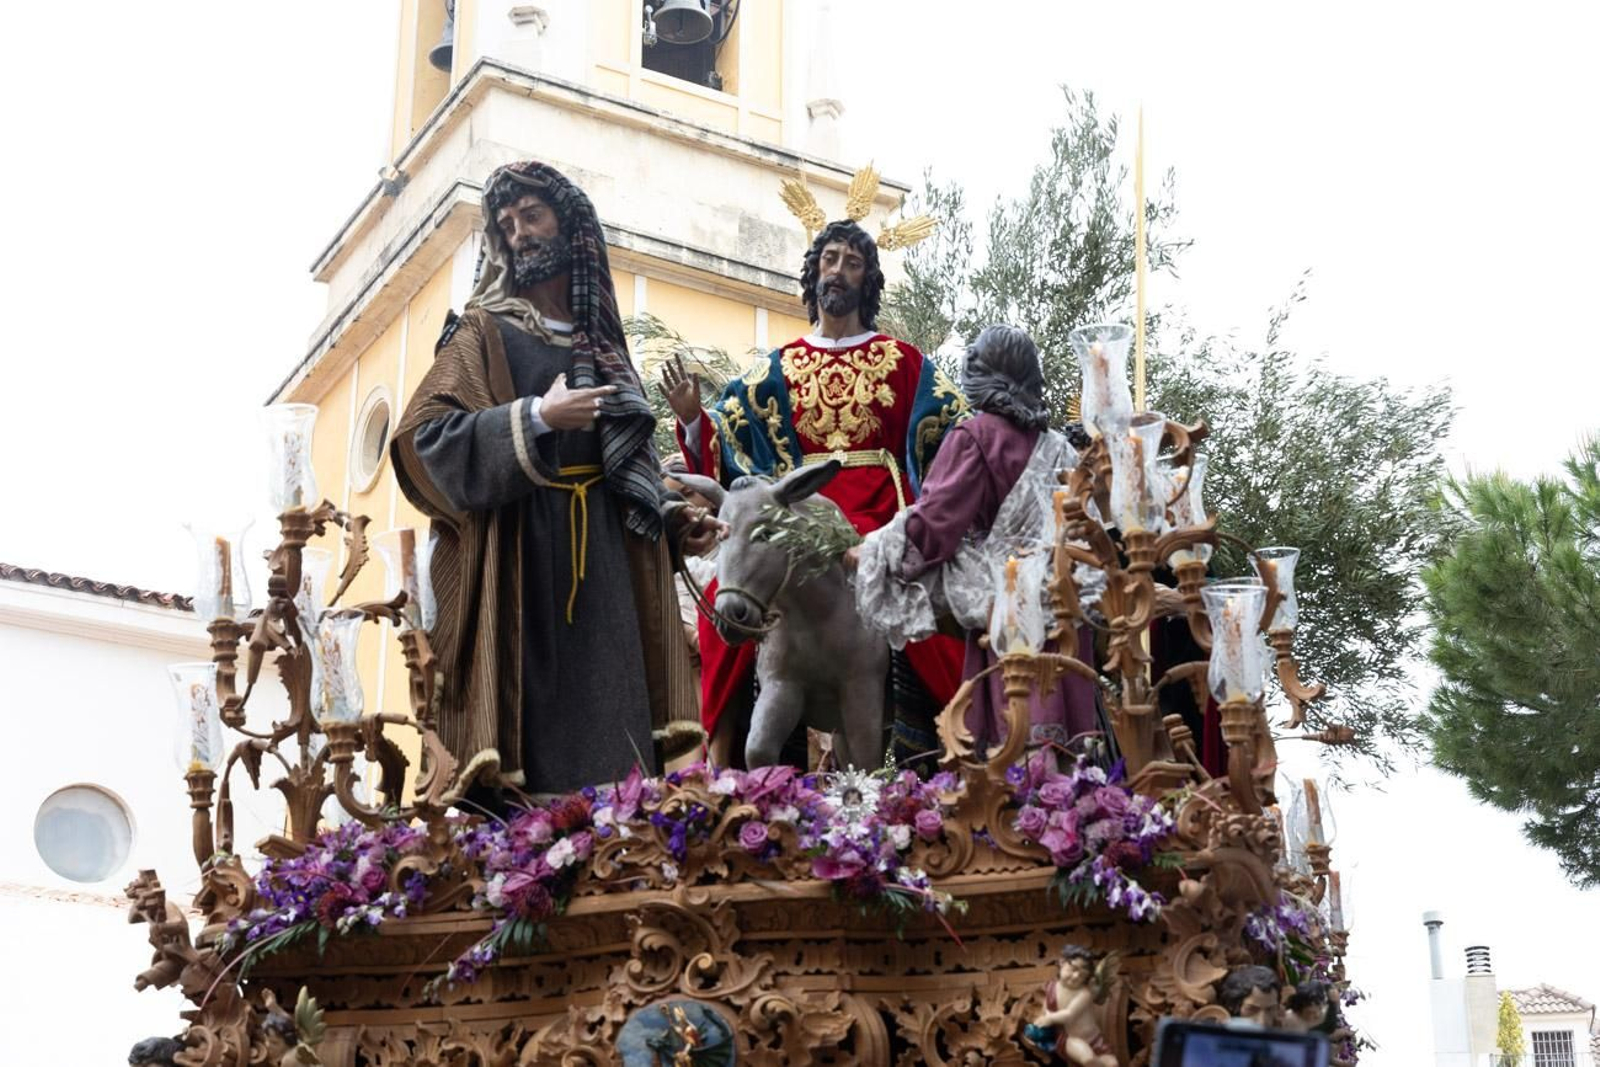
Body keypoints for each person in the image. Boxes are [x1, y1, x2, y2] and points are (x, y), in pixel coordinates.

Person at [392, 161, 713, 795]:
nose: (519, 233)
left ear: (570, 227)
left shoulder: (606, 348)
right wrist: (537, 416)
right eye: (507, 224)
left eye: (532, 216)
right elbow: (424, 438)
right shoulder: (484, 331)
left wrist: (675, 520)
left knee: (618, 744)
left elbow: (629, 467)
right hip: (525, 565)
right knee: (534, 731)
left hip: (611, 573)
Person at [660, 216, 968, 767]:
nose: (839, 272)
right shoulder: (777, 368)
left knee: (932, 613)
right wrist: (692, 423)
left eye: (853, 263)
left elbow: (954, 439)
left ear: (867, 280)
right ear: (814, 272)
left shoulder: (905, 362)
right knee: (725, 604)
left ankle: (954, 742)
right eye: (830, 260)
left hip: (881, 518)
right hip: (798, 518)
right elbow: (733, 458)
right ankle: (724, 758)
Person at [850, 324, 1104, 754]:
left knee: (1008, 749)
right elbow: (1090, 534)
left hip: (1006, 606)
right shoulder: (1060, 447)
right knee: (1067, 766)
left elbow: (934, 526)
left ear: (982, 373)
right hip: (1063, 608)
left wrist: (876, 552)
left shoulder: (974, 438)